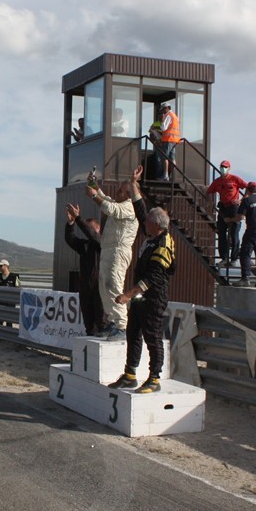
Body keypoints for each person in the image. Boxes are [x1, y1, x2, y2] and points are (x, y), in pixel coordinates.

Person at [108, 207, 176, 393]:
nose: (143, 222)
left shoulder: (163, 244)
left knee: (153, 337)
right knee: (133, 332)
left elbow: (152, 279)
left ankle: (154, 378)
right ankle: (130, 374)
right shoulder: (152, 237)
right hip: (141, 297)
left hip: (154, 297)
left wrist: (127, 295)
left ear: (155, 224)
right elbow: (141, 209)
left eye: (146, 221)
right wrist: (133, 185)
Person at [85, 165, 146, 342]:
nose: (117, 193)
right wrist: (94, 185)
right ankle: (112, 321)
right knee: (104, 285)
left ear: (129, 194)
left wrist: (94, 196)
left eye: (121, 191)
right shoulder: (119, 203)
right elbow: (106, 199)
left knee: (113, 284)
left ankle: (121, 325)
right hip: (108, 249)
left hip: (119, 250)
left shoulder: (129, 207)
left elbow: (110, 208)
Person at [64, 203, 105, 336]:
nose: (87, 232)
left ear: (98, 228)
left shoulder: (102, 243)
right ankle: (90, 345)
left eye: (90, 228)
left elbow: (92, 235)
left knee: (101, 322)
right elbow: (70, 239)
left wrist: (78, 218)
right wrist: (71, 224)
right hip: (86, 287)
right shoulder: (85, 245)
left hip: (99, 288)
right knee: (89, 323)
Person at [206, 160, 247, 267]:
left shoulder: (234, 178)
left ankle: (233, 259)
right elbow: (209, 191)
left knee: (234, 234)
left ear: (229, 168)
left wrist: (241, 201)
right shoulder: (217, 181)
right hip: (223, 208)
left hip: (234, 208)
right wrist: (210, 203)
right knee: (221, 233)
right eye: (221, 167)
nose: (223, 169)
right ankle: (224, 258)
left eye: (225, 167)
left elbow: (248, 188)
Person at [159, 103, 180, 181]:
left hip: (168, 139)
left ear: (167, 108)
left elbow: (163, 128)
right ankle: (173, 176)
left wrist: (161, 120)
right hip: (174, 140)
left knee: (165, 157)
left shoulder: (168, 115)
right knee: (172, 158)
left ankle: (165, 176)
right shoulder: (175, 116)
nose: (163, 111)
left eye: (163, 109)